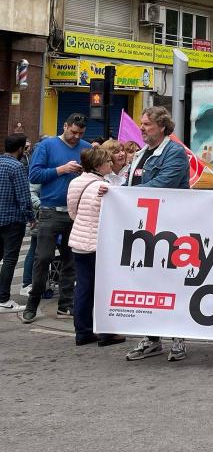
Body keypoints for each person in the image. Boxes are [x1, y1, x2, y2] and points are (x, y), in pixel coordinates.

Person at [122, 107, 191, 362]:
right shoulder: (141, 154)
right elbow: (130, 184)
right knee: (145, 284)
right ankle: (151, 339)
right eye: (141, 124)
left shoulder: (173, 152)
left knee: (171, 283)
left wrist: (125, 197)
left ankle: (178, 337)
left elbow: (164, 185)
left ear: (162, 126)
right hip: (143, 228)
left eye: (147, 124)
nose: (142, 128)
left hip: (170, 229)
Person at [23, 113, 89, 324]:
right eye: (73, 132)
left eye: (80, 133)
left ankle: (66, 304)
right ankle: (32, 303)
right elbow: (34, 176)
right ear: (65, 126)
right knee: (43, 258)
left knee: (71, 260)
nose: (76, 137)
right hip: (50, 210)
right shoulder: (47, 146)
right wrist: (61, 170)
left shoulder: (86, 147)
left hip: (76, 212)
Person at [67, 147, 125, 347]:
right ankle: (106, 333)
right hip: (98, 244)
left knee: (83, 287)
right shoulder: (103, 188)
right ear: (99, 164)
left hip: (78, 242)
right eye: (108, 161)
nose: (111, 164)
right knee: (103, 288)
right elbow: (109, 216)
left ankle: (82, 332)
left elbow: (72, 213)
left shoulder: (75, 182)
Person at [0, 134, 33, 313]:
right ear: (20, 149)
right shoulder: (17, 166)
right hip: (12, 220)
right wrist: (31, 218)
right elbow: (23, 197)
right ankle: (4, 299)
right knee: (10, 259)